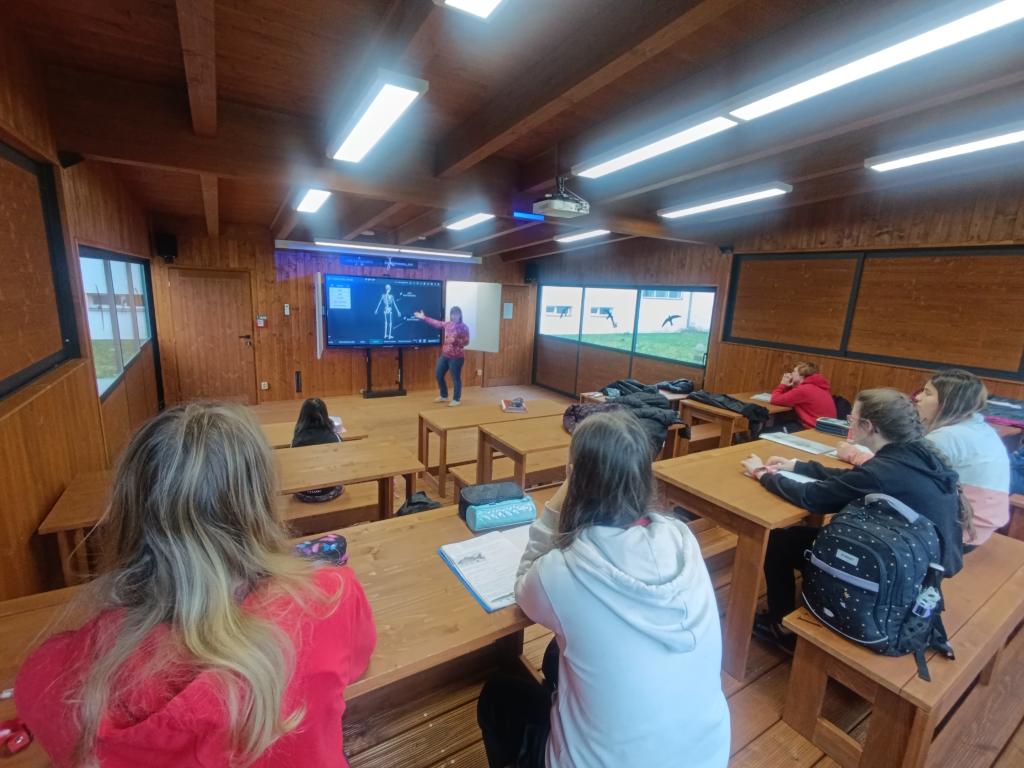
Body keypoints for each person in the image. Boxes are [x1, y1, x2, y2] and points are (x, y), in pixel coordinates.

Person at [15, 404, 376, 767]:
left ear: (128, 511)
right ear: (258, 505)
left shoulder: (52, 678)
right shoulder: (330, 597)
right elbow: (357, 663)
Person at [477, 410, 730, 768]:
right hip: (707, 756)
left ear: (575, 479)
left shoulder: (563, 571)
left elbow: (523, 586)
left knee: (498, 695)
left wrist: (558, 500)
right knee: (555, 656)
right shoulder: (681, 538)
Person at [740, 388, 967, 651]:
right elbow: (855, 479)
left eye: (852, 418)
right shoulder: (913, 454)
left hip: (901, 577)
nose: (849, 423)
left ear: (868, 426)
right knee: (796, 539)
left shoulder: (885, 469)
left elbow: (813, 498)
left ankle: (782, 628)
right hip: (922, 564)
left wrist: (762, 474)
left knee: (779, 542)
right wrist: (798, 466)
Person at [837, 370, 1009, 546]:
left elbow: (896, 475)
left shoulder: (948, 437)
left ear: (948, 403)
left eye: (927, 393)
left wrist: (854, 454)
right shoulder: (978, 427)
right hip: (980, 524)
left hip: (960, 532)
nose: (918, 398)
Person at [291, 397, 344, 503]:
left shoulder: (296, 440)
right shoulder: (334, 437)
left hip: (303, 493)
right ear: (325, 415)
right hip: (329, 491)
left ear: (302, 416)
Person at [415, 306, 470, 407]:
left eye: (456, 314)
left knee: (456, 378)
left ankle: (456, 399)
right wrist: (424, 317)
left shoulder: (463, 327)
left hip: (456, 358)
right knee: (438, 374)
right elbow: (436, 323)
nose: (454, 316)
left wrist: (456, 341)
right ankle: (444, 396)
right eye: (452, 314)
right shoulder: (448, 324)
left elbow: (466, 342)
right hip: (445, 355)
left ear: (460, 315)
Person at [769, 361, 836, 430]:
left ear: (802, 376)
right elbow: (787, 398)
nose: (791, 374)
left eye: (794, 371)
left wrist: (783, 384)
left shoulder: (804, 389)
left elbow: (774, 400)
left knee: (767, 431)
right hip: (825, 428)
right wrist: (789, 387)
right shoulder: (818, 386)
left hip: (812, 429)